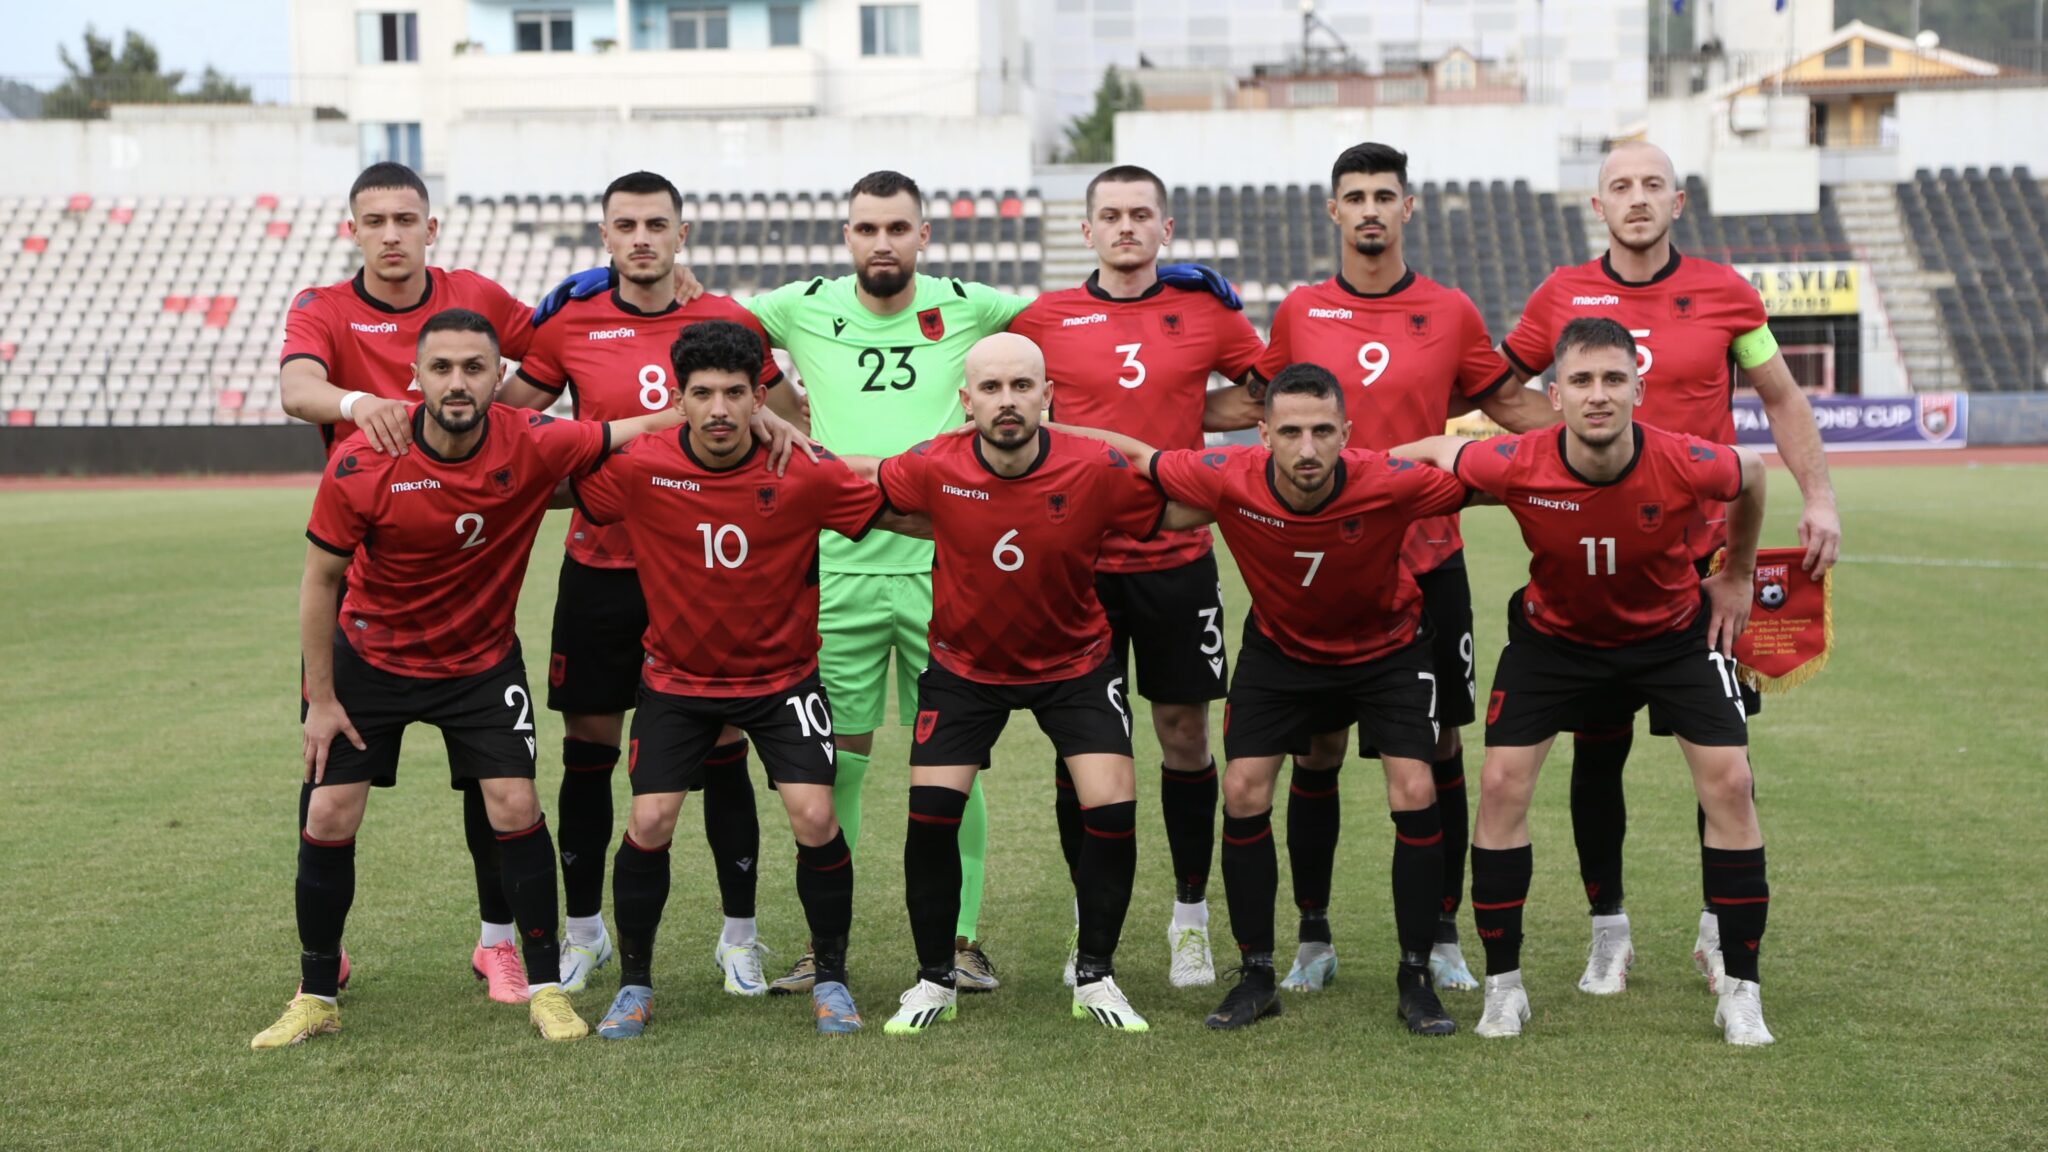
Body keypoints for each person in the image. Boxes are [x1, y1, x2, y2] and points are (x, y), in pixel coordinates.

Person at [252, 308, 686, 1048]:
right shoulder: (361, 461)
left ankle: (547, 986)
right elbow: (320, 581)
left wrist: (724, 413)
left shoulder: (536, 440)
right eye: (443, 368)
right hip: (371, 659)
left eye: (475, 368)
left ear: (498, 379)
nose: (458, 382)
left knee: (515, 803)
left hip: (480, 663)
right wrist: (319, 700)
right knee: (328, 815)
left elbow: (632, 429)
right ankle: (317, 992)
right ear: (415, 378)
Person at [1497, 140, 1837, 994]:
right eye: (1621, 186)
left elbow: (1782, 398)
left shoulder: (1727, 293)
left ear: (1677, 202)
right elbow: (1501, 388)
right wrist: (1569, 446)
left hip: (1707, 563)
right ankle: (1607, 929)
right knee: (1597, 753)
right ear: (1597, 205)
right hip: (1598, 563)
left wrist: (1819, 499)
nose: (1637, 198)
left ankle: (1720, 930)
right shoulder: (1559, 297)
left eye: (1652, 185)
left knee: (1724, 756)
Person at [1397, 317, 1776, 1045]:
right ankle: (1505, 989)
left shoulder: (1686, 459)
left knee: (1730, 783)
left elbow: (1753, 475)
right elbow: (1438, 451)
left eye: (1612, 379)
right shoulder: (1515, 459)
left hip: (1669, 638)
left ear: (1638, 387)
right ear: (1555, 394)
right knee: (1503, 784)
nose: (1597, 395)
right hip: (1555, 643)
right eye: (1581, 381)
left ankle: (1742, 991)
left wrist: (1736, 574)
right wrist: (1351, 467)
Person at [1065, 362, 1470, 1036]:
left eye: (1321, 431)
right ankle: (1256, 975)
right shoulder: (1228, 477)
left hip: (1388, 650)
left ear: (1347, 433)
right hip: (1282, 654)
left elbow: (1482, 473)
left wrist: (1445, 447)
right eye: (1289, 432)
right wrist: (1041, 429)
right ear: (1262, 434)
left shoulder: (1390, 480)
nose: (1306, 449)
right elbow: (1133, 455)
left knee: (1414, 789)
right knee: (1245, 788)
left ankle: (1415, 976)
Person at [566, 320, 930, 1038]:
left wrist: (989, 514)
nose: (720, 410)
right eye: (703, 394)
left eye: (736, 393)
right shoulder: (642, 466)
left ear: (760, 396)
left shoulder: (803, 469)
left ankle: (832, 978)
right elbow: (560, 482)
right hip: (676, 681)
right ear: (680, 398)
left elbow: (895, 512)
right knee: (649, 822)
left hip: (783, 681)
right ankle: (634, 986)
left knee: (816, 818)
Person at [1252, 143, 1554, 994]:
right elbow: (1262, 409)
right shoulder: (1301, 312)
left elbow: (1510, 405)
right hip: (1319, 565)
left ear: (1409, 208)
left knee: (1439, 745)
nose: (1371, 209)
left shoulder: (1450, 310)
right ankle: (1313, 935)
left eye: (1386, 195)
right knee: (1316, 748)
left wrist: (1603, 440)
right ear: (1333, 211)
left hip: (1427, 563)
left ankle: (1444, 930)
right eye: (1356, 196)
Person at [493, 170, 788, 996]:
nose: (642, 238)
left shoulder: (726, 320)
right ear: (605, 236)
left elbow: (791, 423)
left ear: (683, 234)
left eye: (657, 223)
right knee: (590, 751)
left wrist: (768, 413)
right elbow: (513, 426)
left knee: (724, 749)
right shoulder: (573, 320)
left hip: (708, 573)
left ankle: (740, 937)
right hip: (602, 566)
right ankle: (585, 933)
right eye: (626, 225)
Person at [868, 332, 1181, 1035]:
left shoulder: (1093, 465)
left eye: (1020, 387)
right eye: (990, 389)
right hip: (964, 667)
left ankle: (1096, 975)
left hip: (1074, 662)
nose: (1006, 402)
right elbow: (860, 488)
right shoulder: (931, 464)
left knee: (1110, 808)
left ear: (1047, 395)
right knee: (930, 819)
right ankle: (932, 979)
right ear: (966, 401)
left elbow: (1169, 508)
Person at [1006, 163, 1266, 989]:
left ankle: (1189, 916)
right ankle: (1092, 912)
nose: (1126, 227)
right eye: (1110, 215)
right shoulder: (1043, 318)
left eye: (1141, 214)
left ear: (1166, 229)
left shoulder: (1204, 312)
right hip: (1072, 561)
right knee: (1077, 746)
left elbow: (1268, 396)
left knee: (1185, 734)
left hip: (1176, 559)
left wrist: (1191, 410)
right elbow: (998, 400)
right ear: (1085, 231)